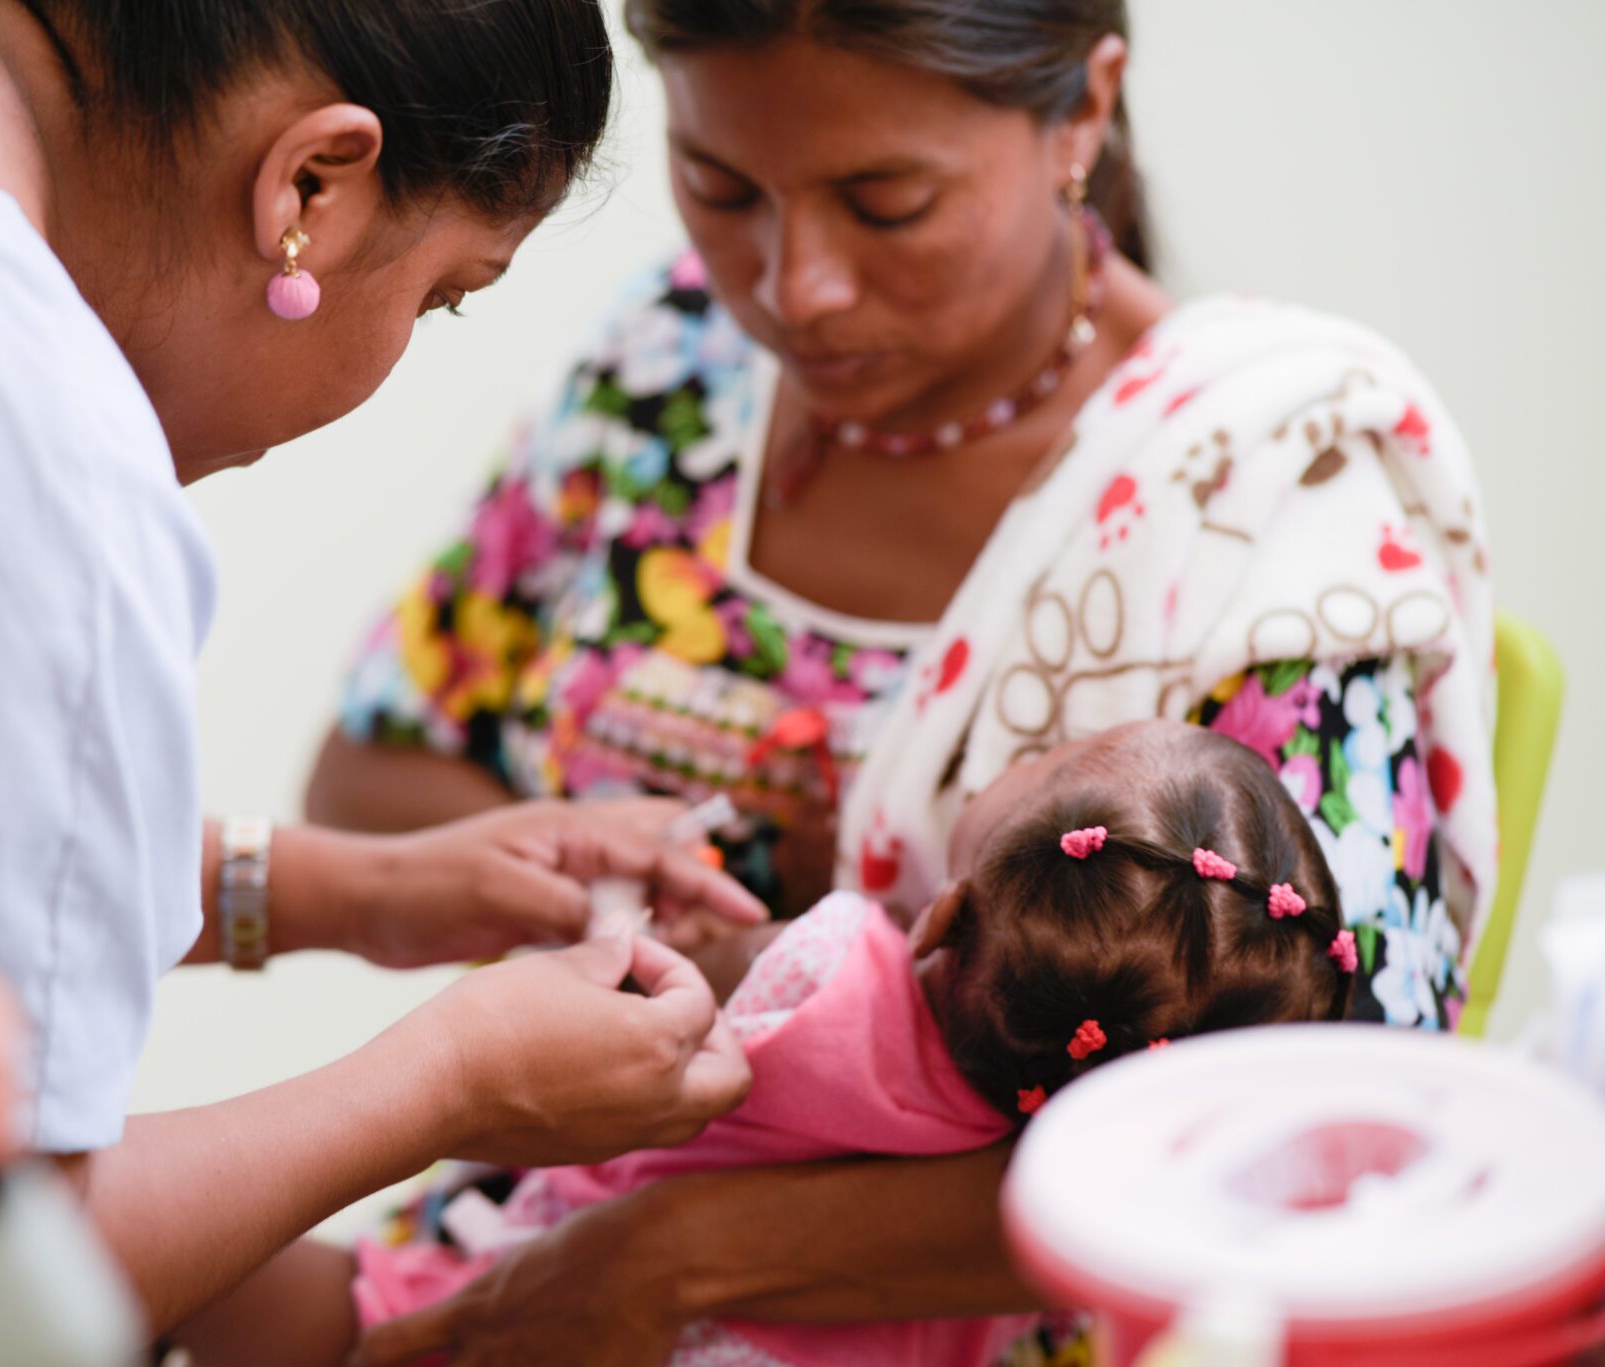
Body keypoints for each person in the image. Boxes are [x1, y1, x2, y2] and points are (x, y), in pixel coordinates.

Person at [0, 0, 772, 1350]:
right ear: (313, 183)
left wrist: (356, 891)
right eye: (438, 298)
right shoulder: (19, 445)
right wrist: (446, 1077)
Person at [313, 2, 1498, 1362]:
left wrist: (671, 1252)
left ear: (1084, 110)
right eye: (721, 188)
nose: (794, 283)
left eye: (886, 201)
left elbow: (1307, 1117)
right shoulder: (677, 367)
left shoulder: (1261, 498)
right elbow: (373, 765)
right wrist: (666, 963)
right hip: (526, 1224)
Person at [225, 720, 1355, 1367]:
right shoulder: (1043, 1187)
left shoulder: (817, 966)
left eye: (1043, 756)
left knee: (170, 1259)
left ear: (941, 912)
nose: (1010, 754)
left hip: (505, 1311)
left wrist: (633, 904)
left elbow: (631, 984)